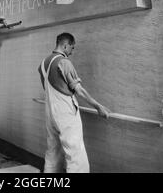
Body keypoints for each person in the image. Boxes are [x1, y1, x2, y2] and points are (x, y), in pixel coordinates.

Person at [38, 32, 110, 173]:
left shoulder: (43, 63)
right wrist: (98, 107)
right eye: (72, 48)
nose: (72, 52)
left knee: (53, 152)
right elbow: (79, 90)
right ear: (65, 45)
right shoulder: (64, 62)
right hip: (65, 114)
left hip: (50, 113)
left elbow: (47, 88)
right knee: (76, 155)